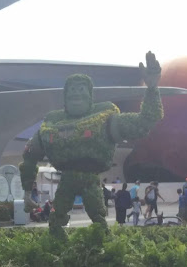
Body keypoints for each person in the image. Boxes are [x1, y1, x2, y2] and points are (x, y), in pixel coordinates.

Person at [19, 53, 164, 240]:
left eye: (81, 89)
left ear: (90, 96)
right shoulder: (51, 124)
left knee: (99, 220)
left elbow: (144, 122)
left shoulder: (105, 119)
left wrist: (152, 87)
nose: (76, 93)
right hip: (67, 181)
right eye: (71, 89)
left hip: (90, 181)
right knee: (56, 221)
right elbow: (29, 154)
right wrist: (26, 191)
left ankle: (105, 254)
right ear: (64, 96)